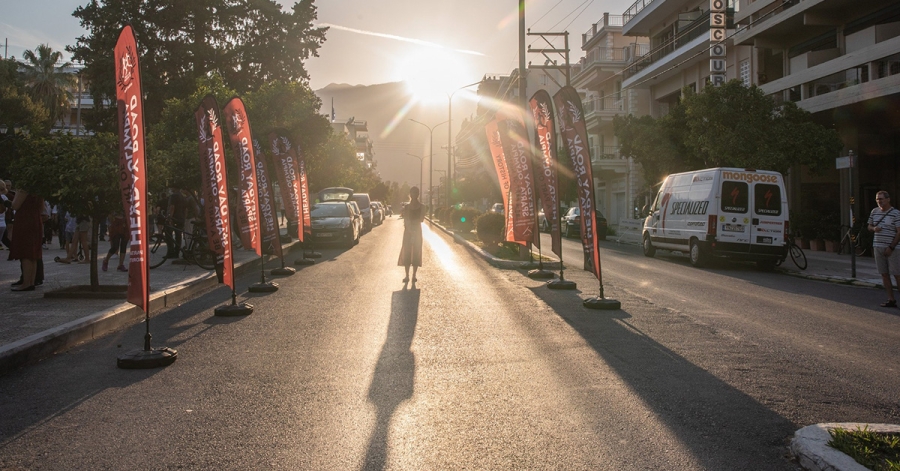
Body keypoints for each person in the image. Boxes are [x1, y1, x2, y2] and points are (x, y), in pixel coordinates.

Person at [868, 190, 900, 307]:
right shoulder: (874, 212)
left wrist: (891, 247)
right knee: (884, 274)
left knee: (897, 274)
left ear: (888, 199)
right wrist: (873, 228)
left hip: (892, 248)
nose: (879, 201)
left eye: (881, 199)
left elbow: (899, 232)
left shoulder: (895, 213)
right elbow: (869, 226)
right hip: (878, 246)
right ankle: (891, 299)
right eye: (877, 199)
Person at [8, 189, 44, 291]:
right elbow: (42, 208)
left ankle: (26, 283)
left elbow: (15, 205)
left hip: (25, 220)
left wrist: (10, 202)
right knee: (33, 253)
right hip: (35, 219)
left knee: (26, 252)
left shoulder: (23, 188)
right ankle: (31, 282)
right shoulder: (38, 190)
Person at [397, 186, 425, 283]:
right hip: (408, 231)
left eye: (416, 193)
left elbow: (421, 219)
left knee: (416, 252)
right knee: (407, 252)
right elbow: (406, 219)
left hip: (417, 231)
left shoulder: (422, 207)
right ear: (410, 194)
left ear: (418, 194)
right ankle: (407, 275)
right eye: (412, 193)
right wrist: (409, 229)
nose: (414, 195)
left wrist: (414, 229)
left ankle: (414, 275)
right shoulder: (407, 207)